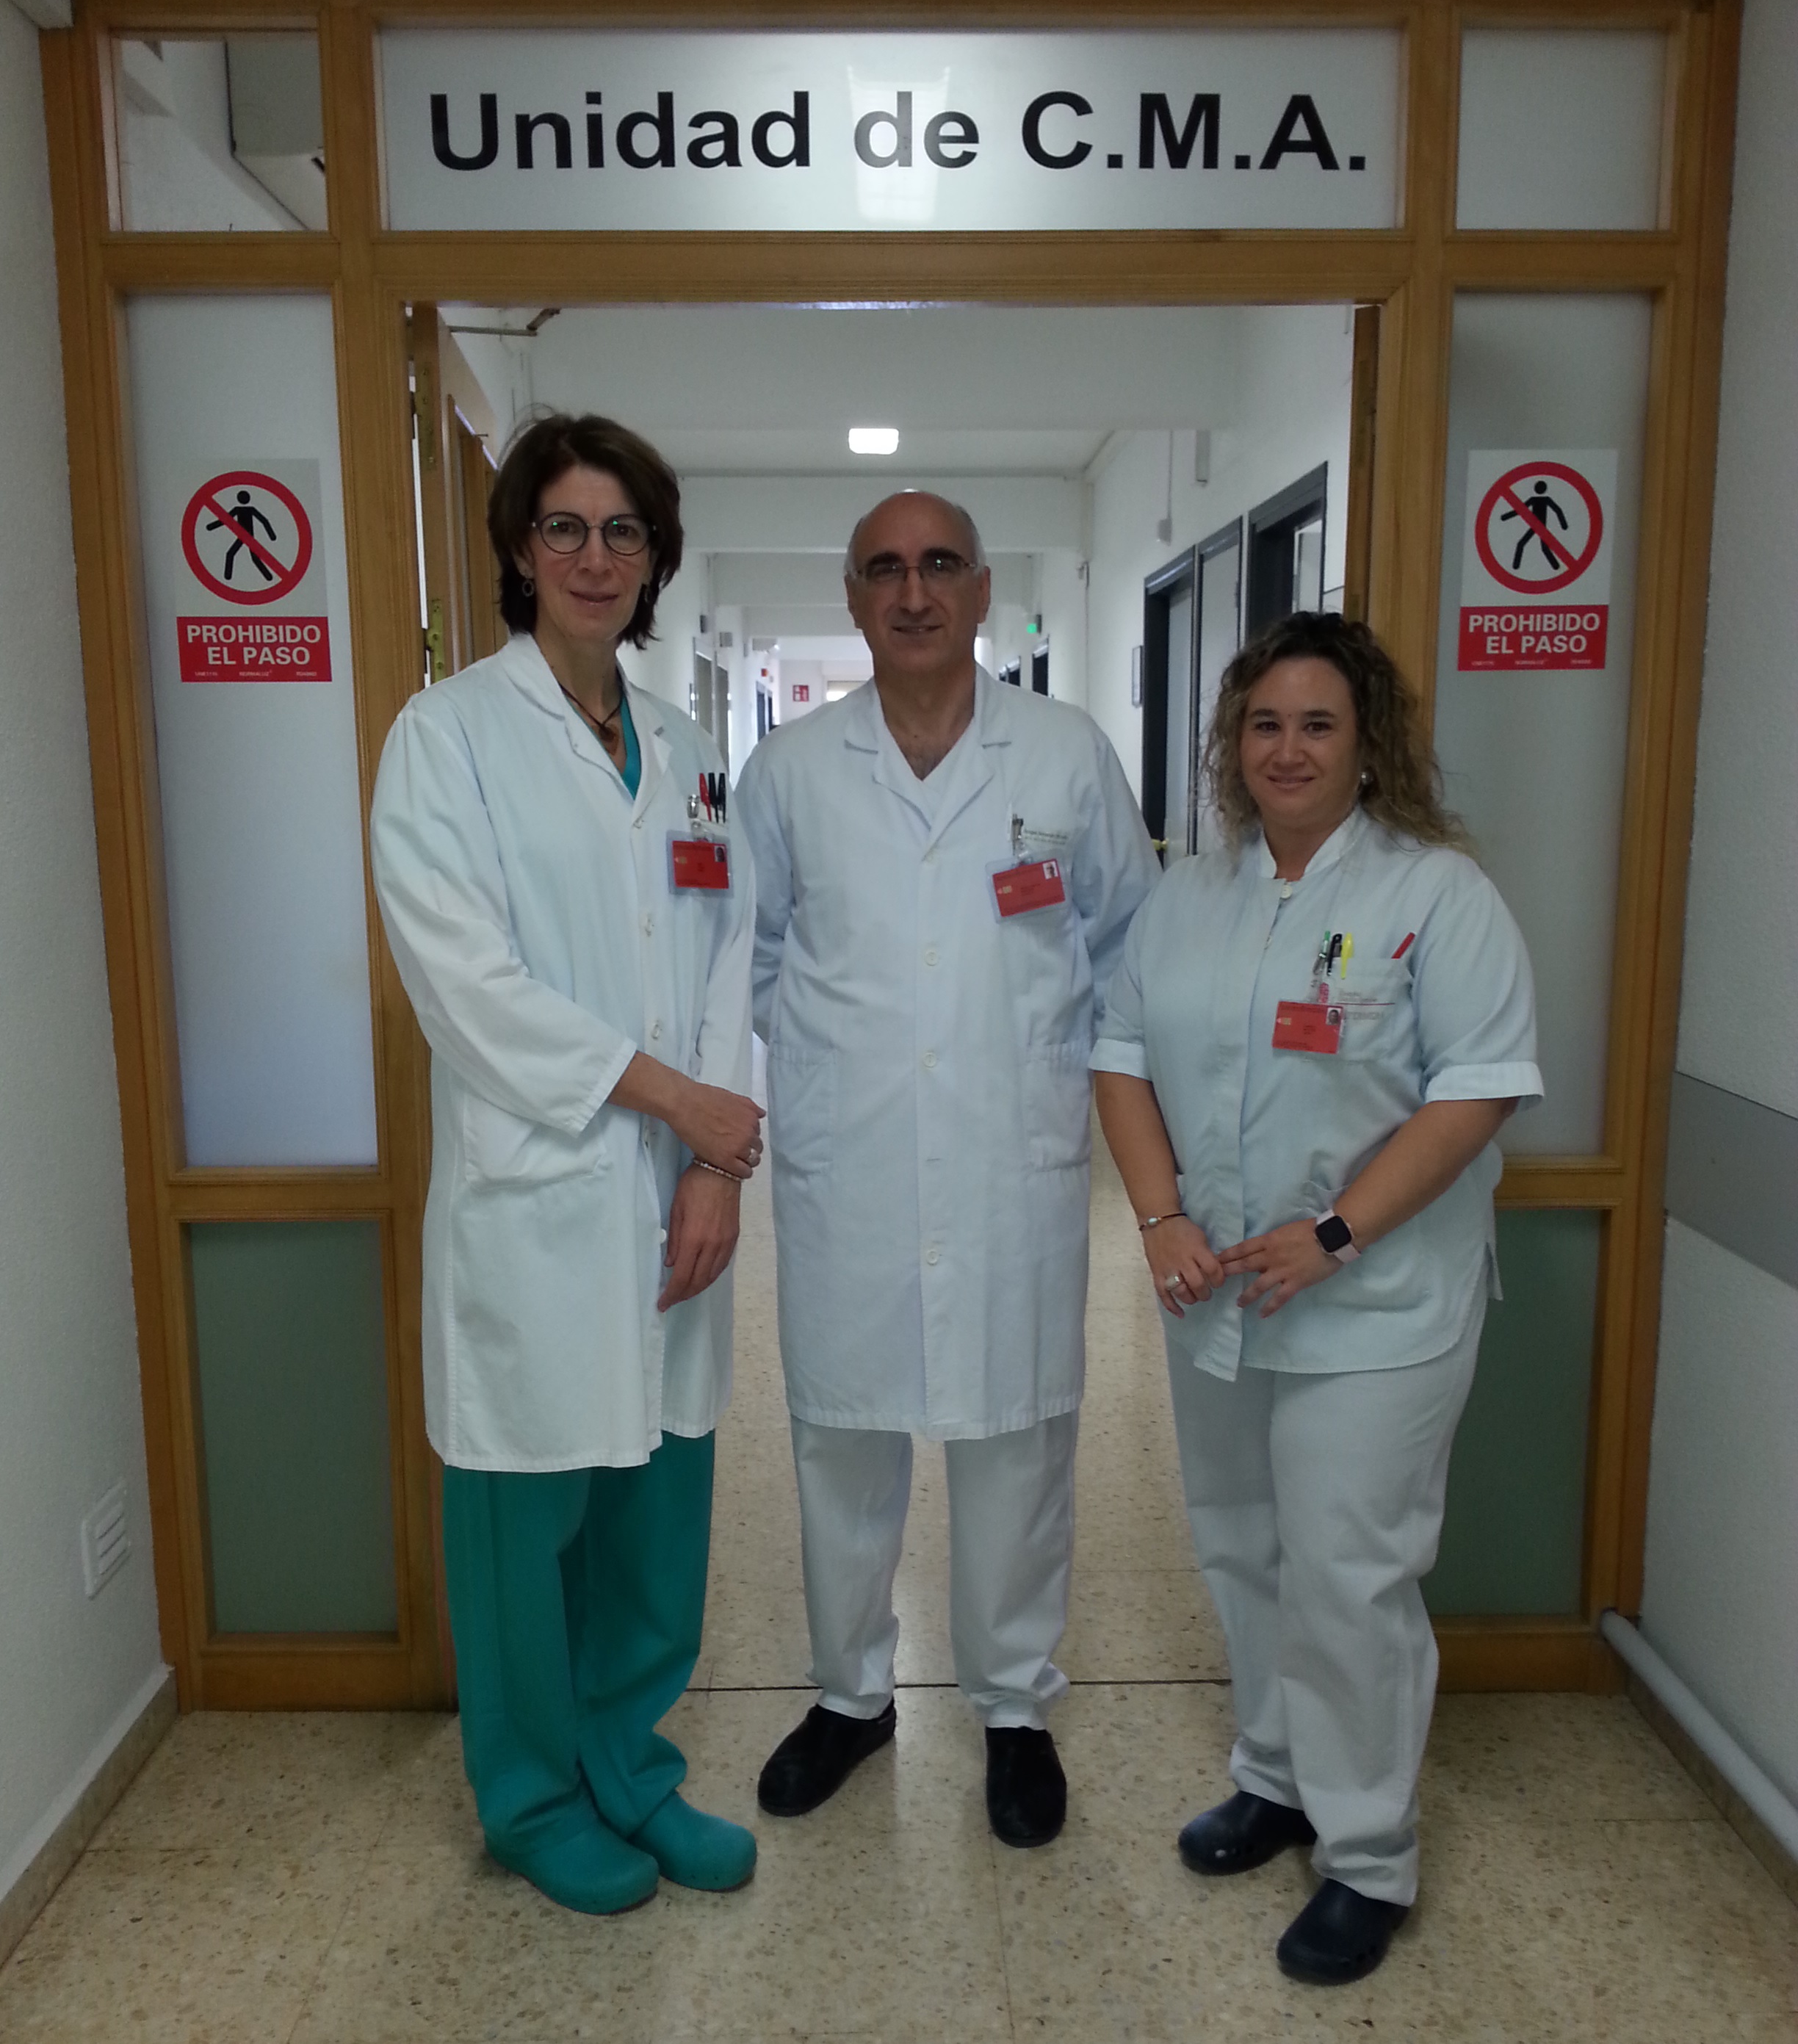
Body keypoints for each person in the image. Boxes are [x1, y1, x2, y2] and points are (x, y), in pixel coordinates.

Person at [1093, 613, 1541, 1985]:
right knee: (1242, 1547)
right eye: (1264, 724)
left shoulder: (1436, 896)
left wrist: (1336, 1234)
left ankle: (1368, 1856)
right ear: (1233, 743)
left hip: (1376, 1307)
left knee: (1349, 1576)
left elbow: (1478, 1090)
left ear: (1367, 747)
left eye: (1318, 725)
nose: (1286, 750)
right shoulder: (1191, 895)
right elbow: (1120, 1052)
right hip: (1218, 1292)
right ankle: (1276, 1778)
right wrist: (1161, 1217)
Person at [369, 411, 765, 1916]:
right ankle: (534, 1799)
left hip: (676, 1194)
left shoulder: (688, 754)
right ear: (520, 552)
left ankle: (632, 1770)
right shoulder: (447, 737)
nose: (596, 558)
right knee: (524, 1528)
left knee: (657, 1513)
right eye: (565, 529)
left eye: (624, 532)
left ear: (655, 558)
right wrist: (674, 1104)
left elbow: (727, 960)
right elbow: (466, 985)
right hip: (538, 1201)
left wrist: (715, 1165)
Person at [735, 491, 1160, 1847]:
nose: (912, 592)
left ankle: (1015, 1710)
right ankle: (851, 1696)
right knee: (841, 1443)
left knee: (1015, 1442)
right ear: (853, 599)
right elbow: (750, 957)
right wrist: (835, 1064)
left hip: (1007, 1164)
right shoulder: (791, 772)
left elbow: (1128, 943)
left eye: (939, 567)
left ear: (982, 592)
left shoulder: (1067, 755)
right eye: (884, 569)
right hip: (849, 1165)